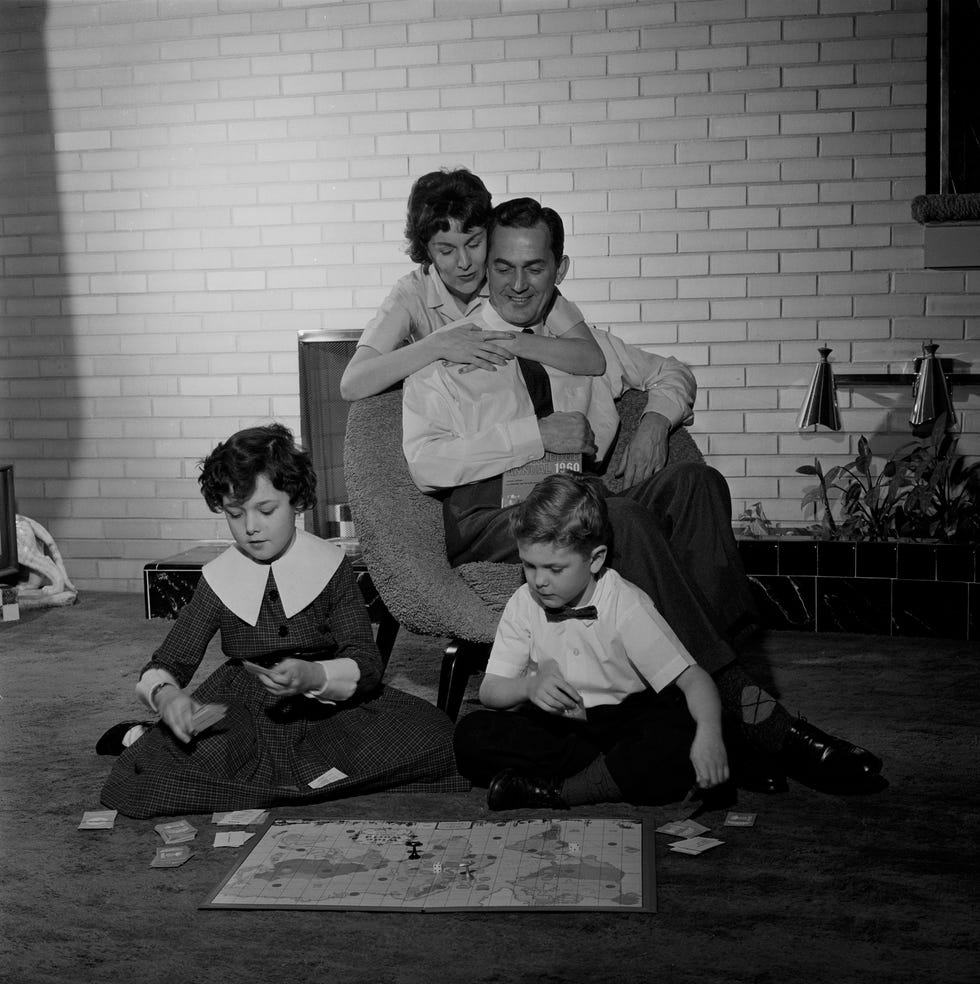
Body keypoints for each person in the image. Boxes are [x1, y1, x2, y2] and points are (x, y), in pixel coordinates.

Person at [402, 197, 887, 796]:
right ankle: (757, 718)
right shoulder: (451, 352)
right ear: (487, 265)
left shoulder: (588, 346)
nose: (518, 284)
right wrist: (530, 435)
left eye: (535, 268)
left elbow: (673, 373)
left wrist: (656, 423)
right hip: (494, 515)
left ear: (562, 268)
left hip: (581, 502)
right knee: (617, 516)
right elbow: (425, 466)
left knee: (697, 483)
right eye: (503, 267)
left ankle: (721, 715)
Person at [98, 424, 465, 819]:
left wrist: (314, 676)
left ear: (297, 501)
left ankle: (270, 773)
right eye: (235, 514)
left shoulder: (331, 568)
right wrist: (167, 696)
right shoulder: (219, 579)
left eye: (266, 510)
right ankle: (145, 735)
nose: (250, 527)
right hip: (246, 708)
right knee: (150, 778)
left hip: (323, 702)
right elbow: (167, 661)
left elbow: (366, 661)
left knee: (439, 739)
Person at [454, 473, 731, 810]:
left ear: (596, 559)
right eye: (529, 566)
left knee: (675, 730)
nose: (539, 581)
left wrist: (709, 735)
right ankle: (605, 776)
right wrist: (528, 688)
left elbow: (695, 680)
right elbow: (490, 690)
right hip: (565, 731)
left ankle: (560, 791)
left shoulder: (625, 603)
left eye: (555, 569)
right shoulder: (523, 602)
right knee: (470, 735)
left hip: (624, 722)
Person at [340, 167, 606, 402]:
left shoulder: (512, 281)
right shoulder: (411, 293)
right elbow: (352, 384)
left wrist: (510, 342)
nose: (465, 262)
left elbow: (592, 358)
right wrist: (437, 345)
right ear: (427, 252)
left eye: (474, 243)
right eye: (447, 251)